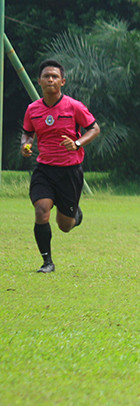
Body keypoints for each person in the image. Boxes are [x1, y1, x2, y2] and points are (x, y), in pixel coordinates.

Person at [20, 59, 100, 273]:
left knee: (65, 225)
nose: (50, 80)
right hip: (44, 170)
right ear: (39, 81)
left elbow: (94, 129)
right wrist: (25, 145)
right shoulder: (33, 109)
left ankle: (76, 215)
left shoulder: (74, 106)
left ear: (62, 81)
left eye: (55, 76)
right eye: (46, 76)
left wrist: (77, 143)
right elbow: (27, 133)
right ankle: (47, 262)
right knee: (41, 211)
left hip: (69, 171)